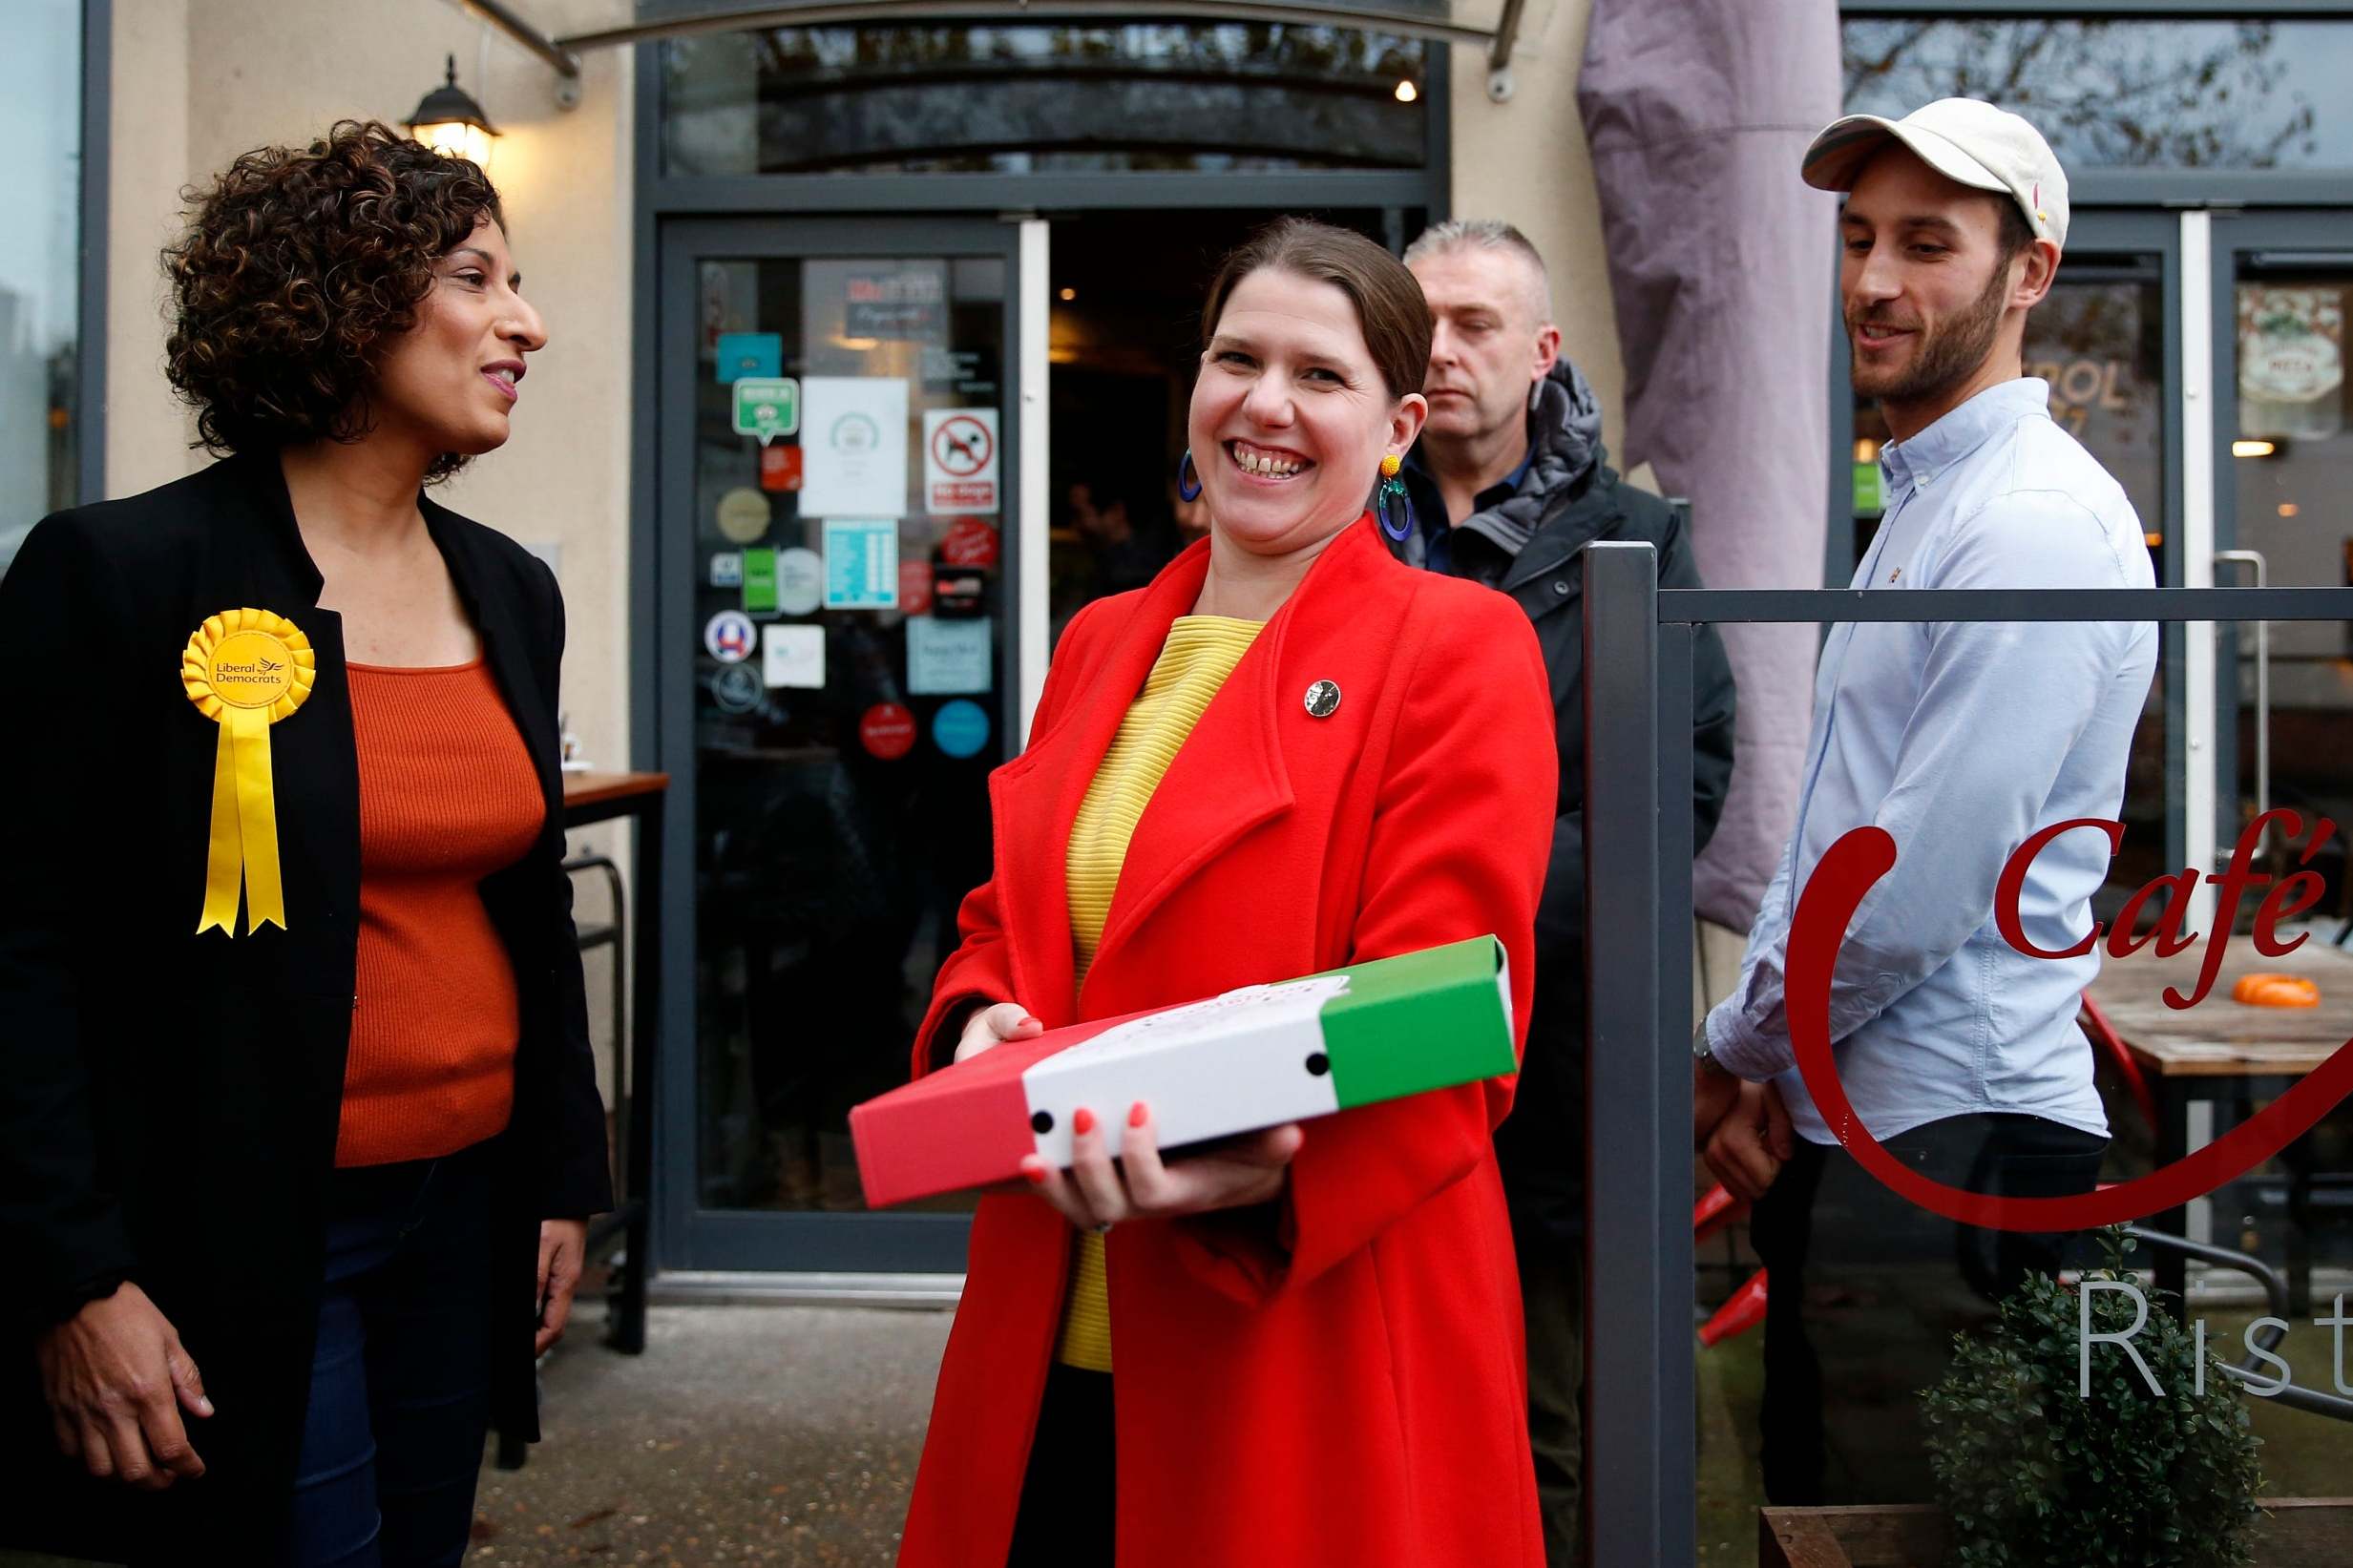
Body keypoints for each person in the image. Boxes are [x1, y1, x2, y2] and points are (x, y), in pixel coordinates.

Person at [897, 219, 1557, 1568]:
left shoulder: (1457, 647)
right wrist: (975, 1025)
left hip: (1294, 1313)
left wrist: (1244, 1181)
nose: (1264, 404)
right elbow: (1001, 924)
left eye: (1319, 376)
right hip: (1050, 1319)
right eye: (1235, 359)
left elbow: (1448, 1024)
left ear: (1396, 425)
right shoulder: (1099, 642)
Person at [0, 121, 612, 1564]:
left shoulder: (509, 589)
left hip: (464, 1214)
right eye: (476, 278)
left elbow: (523, 906)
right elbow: (13, 950)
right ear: (341, 300)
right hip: (237, 1231)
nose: (524, 322)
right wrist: (71, 1280)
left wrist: (558, 1181)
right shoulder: (122, 577)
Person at [1692, 99, 2158, 1504]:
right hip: (1883, 1132)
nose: (1872, 281)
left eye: (1925, 244)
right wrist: (1773, 1059)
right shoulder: (1929, 499)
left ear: (2030, 272)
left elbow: (1907, 888)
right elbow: (1838, 838)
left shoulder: (2024, 520)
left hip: (1956, 1147)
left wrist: (1737, 1044)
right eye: (1855, 238)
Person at [1394, 218, 1737, 1567]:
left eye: (1474, 324)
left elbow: (1681, 789)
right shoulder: (1344, 533)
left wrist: (1462, 903)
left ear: (1540, 354)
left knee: (1556, 1396)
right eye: (1417, 323)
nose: (1440, 350)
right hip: (1378, 1028)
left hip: (1568, 1037)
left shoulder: (1637, 543)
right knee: (1396, 1382)